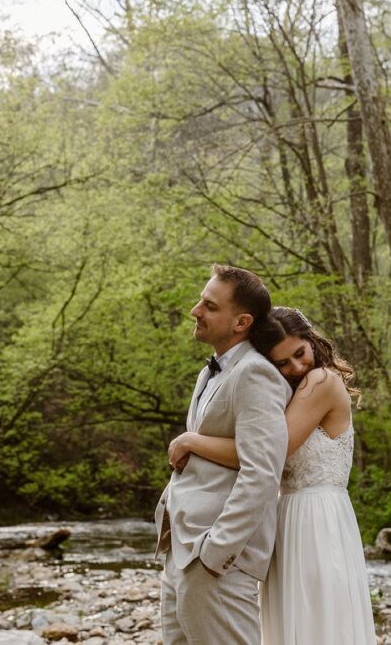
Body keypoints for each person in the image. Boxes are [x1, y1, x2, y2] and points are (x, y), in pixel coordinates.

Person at [168, 306, 378, 645]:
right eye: (283, 363)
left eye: (300, 353)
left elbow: (268, 454)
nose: (296, 367)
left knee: (317, 621)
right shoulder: (289, 391)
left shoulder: (321, 381)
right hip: (286, 516)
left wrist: (192, 441)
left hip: (316, 519)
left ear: (311, 339)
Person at [154, 265, 291, 645]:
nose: (195, 310)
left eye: (209, 306)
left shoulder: (255, 375)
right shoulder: (209, 373)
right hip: (180, 551)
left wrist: (216, 554)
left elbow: (262, 474)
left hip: (214, 562)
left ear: (241, 321)